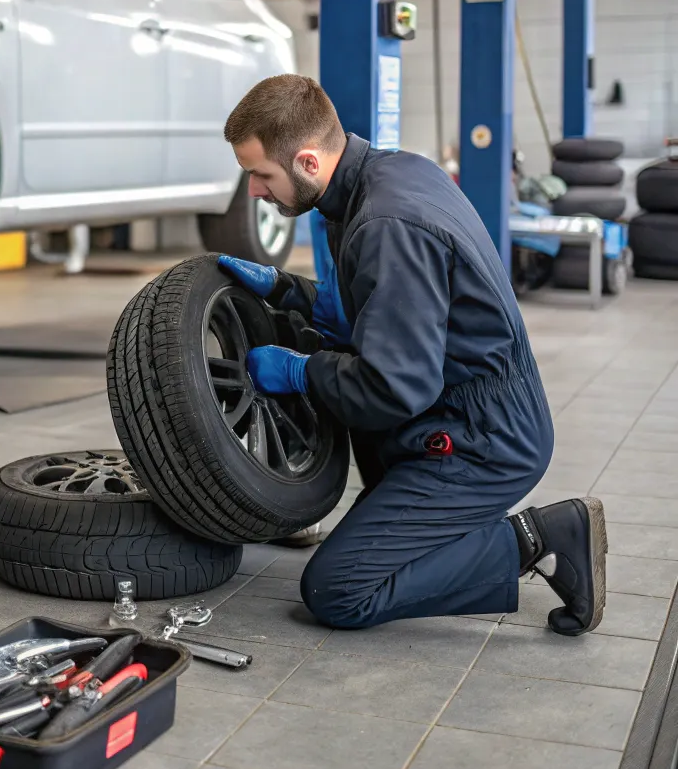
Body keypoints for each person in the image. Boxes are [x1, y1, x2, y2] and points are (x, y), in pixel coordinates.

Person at [216, 73, 607, 636]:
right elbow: (383, 313)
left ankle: (541, 538)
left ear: (306, 161)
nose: (254, 191)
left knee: (338, 589)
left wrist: (302, 373)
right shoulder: (387, 175)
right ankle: (446, 523)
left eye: (260, 175)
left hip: (482, 439)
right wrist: (287, 291)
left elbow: (394, 386)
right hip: (458, 405)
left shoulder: (385, 223)